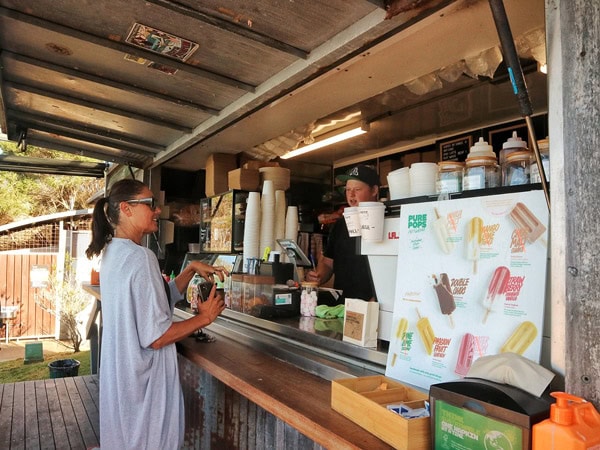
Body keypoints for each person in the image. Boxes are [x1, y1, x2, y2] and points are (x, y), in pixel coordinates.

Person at [85, 179, 227, 450]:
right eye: (150, 204)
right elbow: (157, 337)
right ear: (126, 208)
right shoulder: (141, 257)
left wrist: (190, 270)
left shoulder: (113, 253)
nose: (158, 210)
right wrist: (204, 318)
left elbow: (156, 302)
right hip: (145, 384)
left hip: (122, 378)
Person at [306, 164, 379, 302]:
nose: (351, 195)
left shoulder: (386, 222)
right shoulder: (340, 225)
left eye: (357, 189)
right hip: (342, 306)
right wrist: (318, 276)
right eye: (348, 190)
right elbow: (328, 263)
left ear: (374, 190)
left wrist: (380, 297)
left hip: (373, 306)